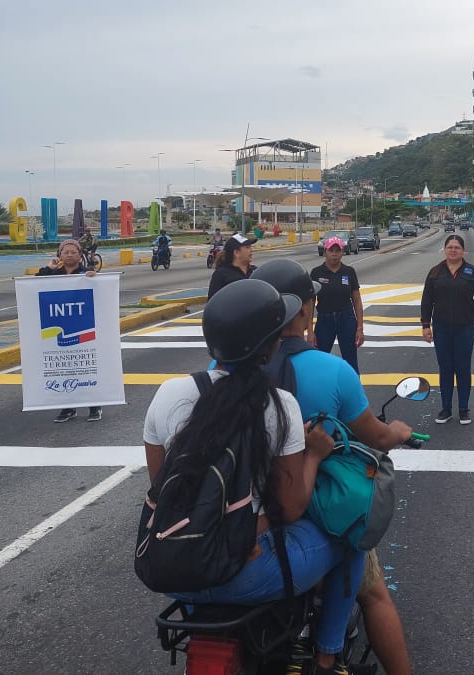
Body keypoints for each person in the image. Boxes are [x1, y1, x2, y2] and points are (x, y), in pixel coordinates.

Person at [142, 280, 364, 675]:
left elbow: (163, 488)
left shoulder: (169, 393)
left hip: (173, 570)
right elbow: (292, 507)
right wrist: (314, 455)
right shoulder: (278, 405)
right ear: (271, 345)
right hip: (247, 569)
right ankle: (327, 656)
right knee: (351, 538)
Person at [254, 259, 415, 675]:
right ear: (307, 309)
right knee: (370, 583)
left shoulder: (228, 371)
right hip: (309, 502)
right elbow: (375, 437)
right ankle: (328, 656)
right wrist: (397, 431)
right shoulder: (333, 371)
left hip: (244, 506)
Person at [420, 234, 474, 424]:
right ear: (445, 250)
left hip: (465, 327)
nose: (453, 250)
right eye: (450, 247)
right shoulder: (435, 272)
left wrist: (469, 307)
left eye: (457, 247)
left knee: (463, 368)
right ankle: (446, 409)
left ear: (463, 251)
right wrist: (426, 325)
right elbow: (427, 300)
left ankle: (464, 409)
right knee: (445, 369)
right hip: (441, 328)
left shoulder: (472, 271)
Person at [38, 239, 103, 423]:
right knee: (64, 369)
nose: (69, 254)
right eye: (65, 252)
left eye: (73, 251)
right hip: (60, 326)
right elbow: (34, 284)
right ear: (59, 255)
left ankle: (94, 406)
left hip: (83, 326)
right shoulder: (53, 273)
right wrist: (48, 268)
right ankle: (68, 408)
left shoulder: (86, 273)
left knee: (86, 368)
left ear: (79, 254)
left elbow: (100, 293)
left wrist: (94, 279)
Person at [310, 236, 365, 373]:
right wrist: (310, 331)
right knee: (319, 359)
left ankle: (352, 392)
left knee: (350, 360)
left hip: (346, 319)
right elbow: (310, 303)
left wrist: (359, 328)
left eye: (337, 250)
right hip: (324, 320)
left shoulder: (349, 272)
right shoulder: (316, 273)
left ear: (342, 252)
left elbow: (357, 300)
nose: (334, 254)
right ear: (325, 252)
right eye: (331, 250)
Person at [207, 232, 256, 298]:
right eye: (247, 247)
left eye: (251, 247)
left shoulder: (255, 271)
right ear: (236, 253)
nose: (252, 250)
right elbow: (213, 302)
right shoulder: (221, 275)